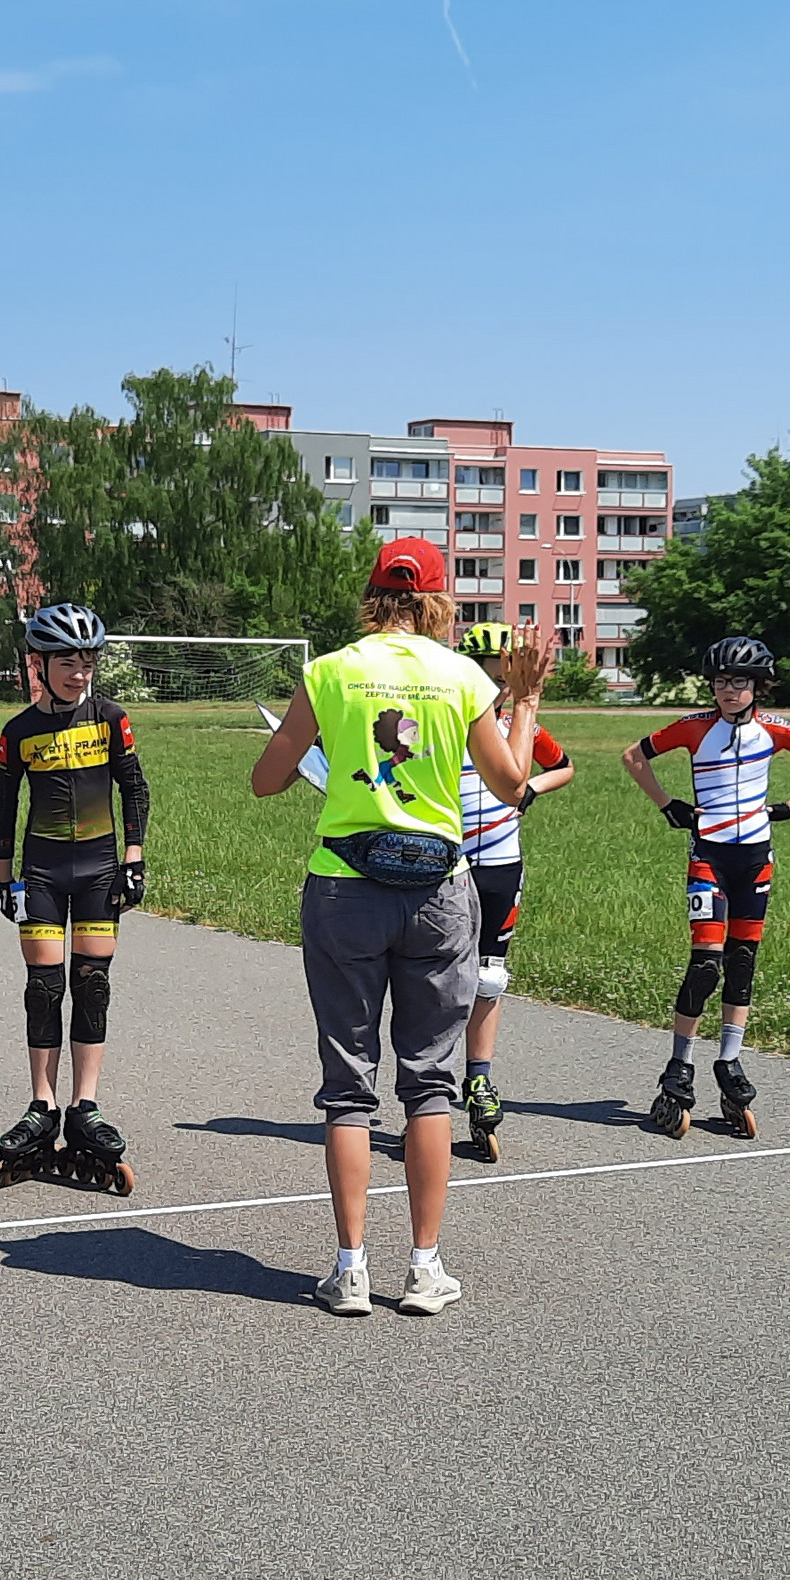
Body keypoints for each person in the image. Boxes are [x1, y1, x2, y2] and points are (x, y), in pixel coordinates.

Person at [251, 538, 548, 1317]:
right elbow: (511, 784)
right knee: (430, 1082)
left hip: (344, 889)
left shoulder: (330, 670)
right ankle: (423, 1267)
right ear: (439, 601)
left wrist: (328, 749)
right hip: (438, 892)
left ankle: (349, 1269)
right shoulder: (461, 676)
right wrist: (525, 703)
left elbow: (266, 780)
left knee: (349, 1086)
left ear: (373, 596)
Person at [0, 603, 151, 1196]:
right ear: (40, 665)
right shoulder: (19, 731)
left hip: (100, 871)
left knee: (93, 986)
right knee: (44, 989)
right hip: (42, 875)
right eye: (67, 663)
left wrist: (133, 858)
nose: (79, 674)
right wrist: (5, 879)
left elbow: (134, 789)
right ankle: (42, 1106)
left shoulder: (111, 719)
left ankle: (85, 1107)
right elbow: (3, 806)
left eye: (87, 663)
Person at [620, 636, 790, 1138]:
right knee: (706, 963)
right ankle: (680, 1065)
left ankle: (729, 1061)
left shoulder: (775, 729)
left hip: (755, 858)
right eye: (719, 682)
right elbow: (633, 756)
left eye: (739, 682)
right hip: (709, 856)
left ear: (759, 686)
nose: (728, 690)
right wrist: (667, 804)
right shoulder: (694, 727)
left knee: (742, 962)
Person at [451, 620, 574, 1164]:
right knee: (436, 977)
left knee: (490, 975)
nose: (497, 686)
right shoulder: (446, 721)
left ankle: (479, 1079)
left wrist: (530, 791)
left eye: (503, 676)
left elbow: (564, 767)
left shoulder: (518, 725)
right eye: (488, 674)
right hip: (449, 862)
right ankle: (428, 1088)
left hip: (501, 861)